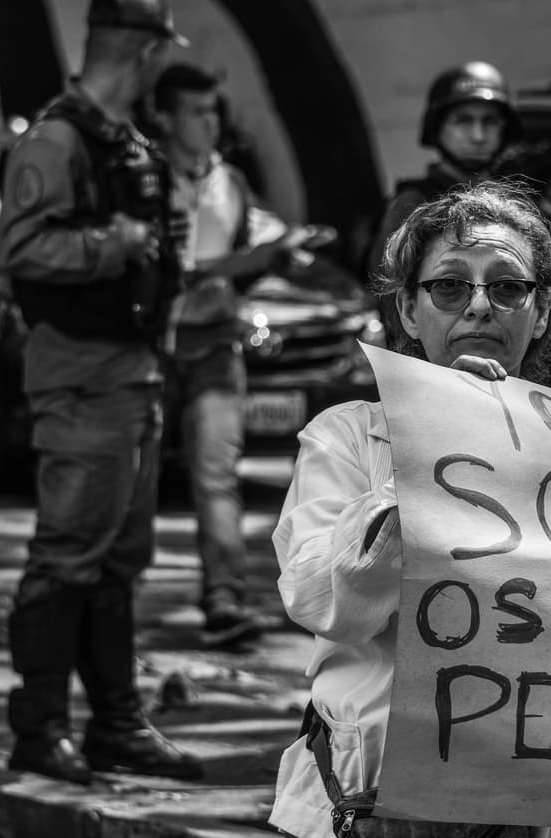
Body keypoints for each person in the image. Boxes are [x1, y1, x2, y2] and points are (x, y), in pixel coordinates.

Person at [270, 183, 551, 838]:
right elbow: (326, 605)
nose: (478, 305)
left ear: (540, 309)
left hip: (529, 806)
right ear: (409, 311)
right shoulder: (347, 438)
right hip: (376, 801)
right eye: (448, 287)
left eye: (507, 288)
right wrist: (438, 443)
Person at [0, 0, 199, 785]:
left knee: (119, 558)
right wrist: (116, 242)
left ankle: (116, 724)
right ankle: (39, 729)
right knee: (68, 553)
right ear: (145, 53)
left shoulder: (126, 142)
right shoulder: (55, 141)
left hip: (133, 370)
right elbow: (20, 247)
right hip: (80, 373)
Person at [146, 62, 311, 646]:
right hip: (149, 349)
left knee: (216, 475)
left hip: (215, 345)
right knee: (134, 476)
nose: (210, 122)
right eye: (196, 112)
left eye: (213, 110)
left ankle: (224, 597)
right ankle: (108, 596)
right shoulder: (144, 181)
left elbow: (254, 246)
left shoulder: (231, 183)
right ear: (164, 118)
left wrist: (279, 253)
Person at [365, 61, 521, 353]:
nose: (478, 135)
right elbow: (389, 297)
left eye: (489, 122)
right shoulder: (413, 205)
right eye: (463, 121)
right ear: (437, 129)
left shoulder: (516, 203)